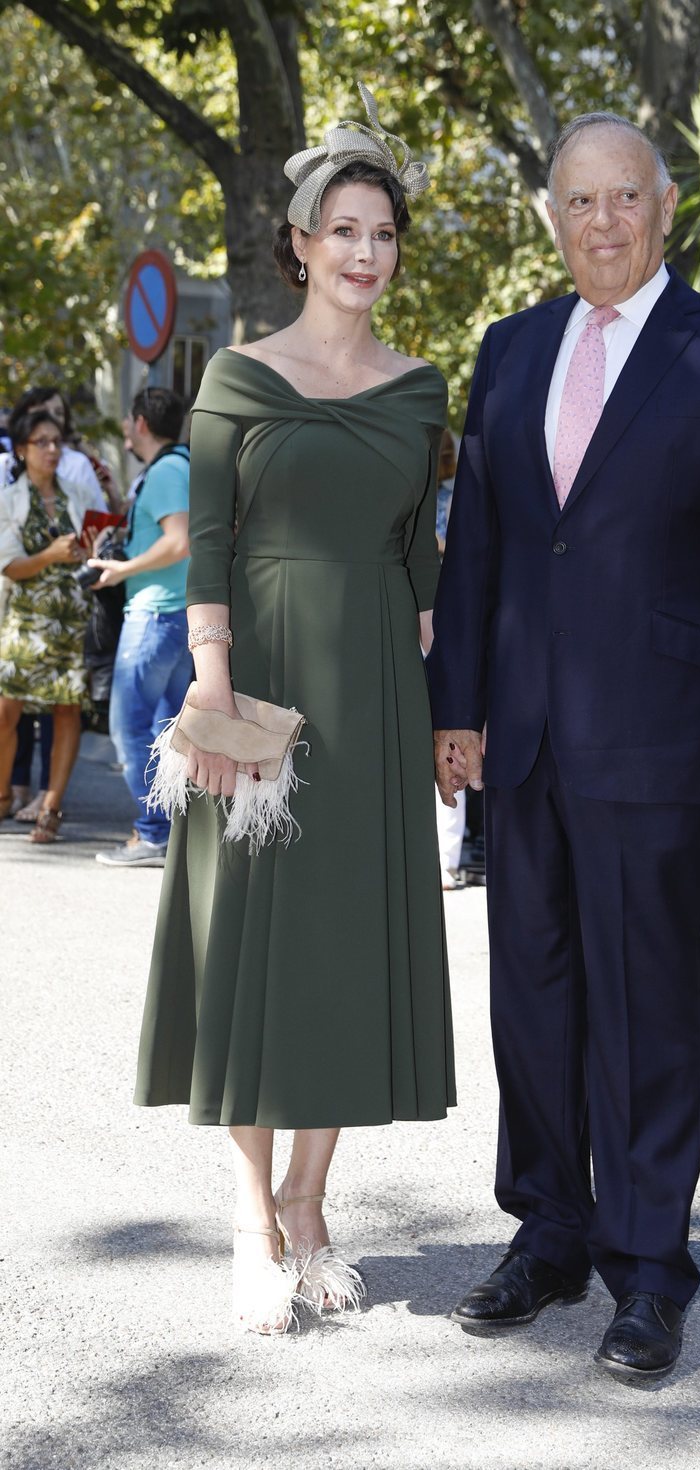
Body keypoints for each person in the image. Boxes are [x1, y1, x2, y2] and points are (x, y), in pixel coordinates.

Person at [426, 110, 700, 1381]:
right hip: (525, 742)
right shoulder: (509, 350)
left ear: (664, 209)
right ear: (554, 217)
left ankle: (648, 1270)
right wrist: (455, 705)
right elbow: (479, 544)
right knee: (531, 1001)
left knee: (649, 1011)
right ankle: (546, 1232)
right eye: (578, 202)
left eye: (624, 200)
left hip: (662, 742)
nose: (602, 222)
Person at [132, 83, 455, 1336]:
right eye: (345, 231)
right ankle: (250, 1219)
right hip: (258, 679)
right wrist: (211, 682)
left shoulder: (420, 386)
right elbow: (205, 542)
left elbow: (421, 559)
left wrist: (439, 692)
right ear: (302, 244)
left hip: (372, 682)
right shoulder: (234, 375)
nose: (366, 254)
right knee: (254, 956)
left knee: (342, 949)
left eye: (382, 234)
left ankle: (315, 1206)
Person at [89, 387, 193, 867]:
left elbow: (179, 542)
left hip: (155, 615)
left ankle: (154, 833)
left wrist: (123, 570)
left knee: (128, 725)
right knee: (165, 732)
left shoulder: (168, 470)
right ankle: (168, 834)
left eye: (130, 422)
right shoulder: (178, 465)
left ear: (141, 425)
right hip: (175, 616)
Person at [0, 407, 105, 841]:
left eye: (57, 441)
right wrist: (49, 556)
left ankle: (51, 807)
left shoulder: (79, 492)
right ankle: (2, 795)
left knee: (66, 711)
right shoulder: (9, 498)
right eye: (41, 442)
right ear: (22, 450)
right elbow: (8, 566)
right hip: (25, 620)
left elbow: (103, 543)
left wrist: (89, 551)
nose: (52, 449)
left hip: (73, 618)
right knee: (6, 711)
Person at [433, 429, 466, 888]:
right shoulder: (453, 493)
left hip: (442, 614)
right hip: (438, 616)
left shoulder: (454, 497)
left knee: (452, 739)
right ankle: (446, 858)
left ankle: (446, 858)